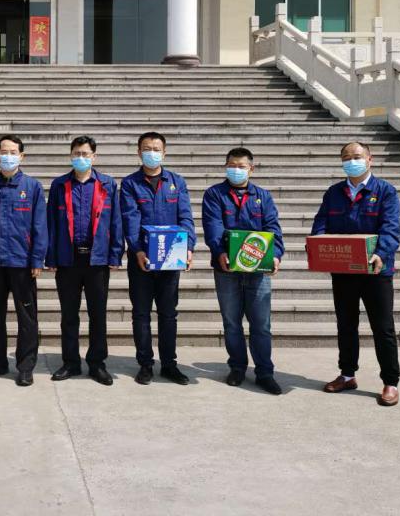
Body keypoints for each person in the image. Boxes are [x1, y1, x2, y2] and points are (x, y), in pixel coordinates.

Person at [311, 141, 400, 407]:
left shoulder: (385, 191)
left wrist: (381, 253)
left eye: (358, 156)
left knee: (382, 327)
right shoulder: (334, 193)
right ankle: (347, 374)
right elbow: (321, 224)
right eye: (347, 157)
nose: (352, 161)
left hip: (376, 271)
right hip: (343, 270)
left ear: (370, 159)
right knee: (346, 324)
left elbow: (391, 228)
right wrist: (318, 246)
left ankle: (391, 382)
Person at [202, 147, 284, 395]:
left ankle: (265, 372)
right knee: (231, 323)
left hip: (257, 270)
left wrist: (275, 255)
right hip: (226, 269)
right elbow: (213, 226)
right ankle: (237, 367)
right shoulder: (215, 194)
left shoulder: (263, 196)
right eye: (231, 165)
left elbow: (273, 227)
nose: (236, 170)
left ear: (251, 168)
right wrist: (220, 251)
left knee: (261, 324)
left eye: (241, 166)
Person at [0, 135, 47, 387]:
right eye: (4, 152)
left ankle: (25, 367)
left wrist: (37, 259)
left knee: (27, 317)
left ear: (22, 156)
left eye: (13, 152)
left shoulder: (32, 187)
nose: (8, 156)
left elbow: (40, 227)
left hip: (22, 262)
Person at [45, 136, 123, 386]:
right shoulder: (60, 185)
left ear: (94, 157)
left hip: (96, 259)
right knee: (69, 314)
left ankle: (97, 364)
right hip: (68, 259)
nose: (81, 158)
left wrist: (115, 253)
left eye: (85, 154)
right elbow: (51, 223)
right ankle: (70, 362)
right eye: (77, 153)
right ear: (70, 156)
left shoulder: (107, 184)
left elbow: (115, 221)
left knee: (97, 314)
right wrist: (50, 256)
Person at [119, 131, 196, 386]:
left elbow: (185, 217)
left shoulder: (176, 182)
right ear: (138, 152)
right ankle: (145, 364)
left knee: (168, 314)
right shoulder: (130, 184)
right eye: (146, 148)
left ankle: (169, 364)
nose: (151, 153)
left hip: (171, 257)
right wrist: (138, 250)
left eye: (156, 149)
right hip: (141, 260)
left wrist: (188, 247)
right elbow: (130, 219)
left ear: (164, 152)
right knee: (141, 314)